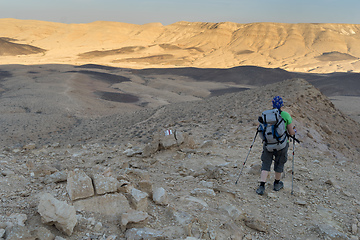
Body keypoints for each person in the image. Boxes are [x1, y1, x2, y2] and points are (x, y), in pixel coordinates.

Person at [256, 96, 296, 195]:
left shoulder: (266, 115)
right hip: (282, 145)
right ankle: (277, 184)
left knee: (266, 163)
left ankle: (262, 186)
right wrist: (294, 131)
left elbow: (259, 129)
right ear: (282, 105)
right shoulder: (286, 115)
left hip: (268, 144)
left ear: (272, 104)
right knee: (280, 163)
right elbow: (291, 132)